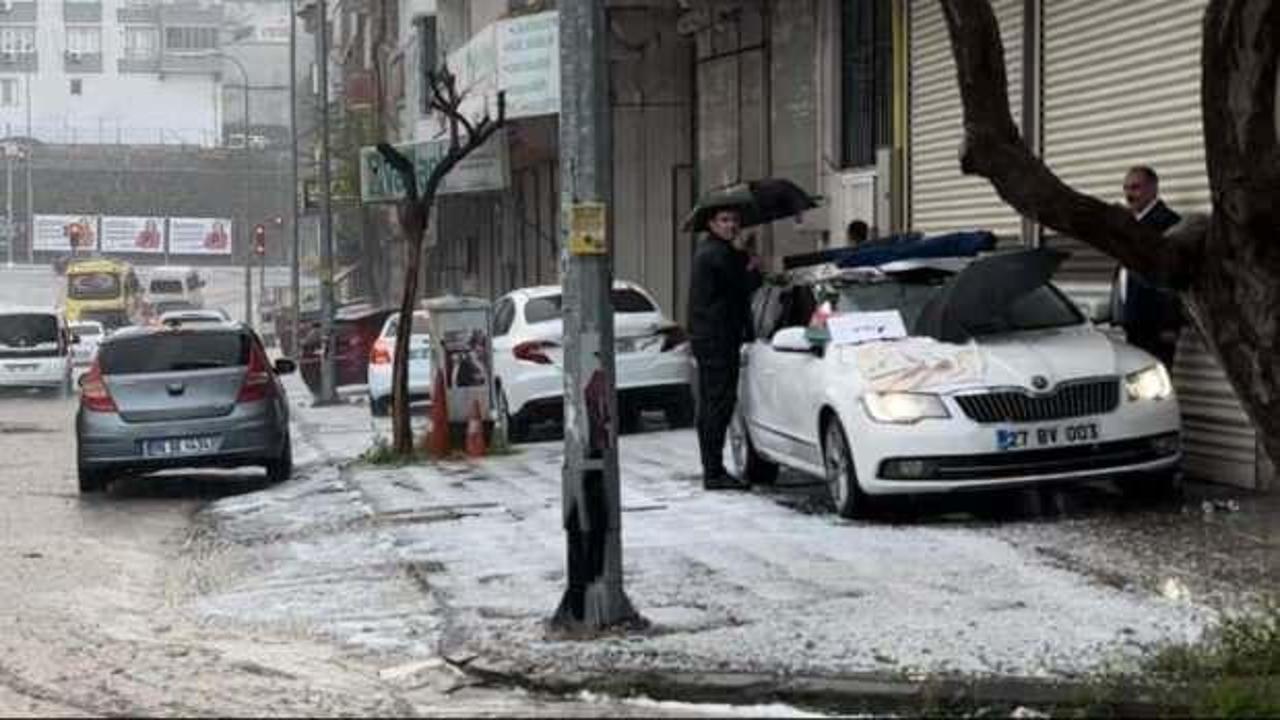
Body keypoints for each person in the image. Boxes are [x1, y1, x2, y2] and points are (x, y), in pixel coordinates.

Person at [687, 206, 763, 490]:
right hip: (717, 339)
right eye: (724, 220)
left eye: (735, 220)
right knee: (718, 403)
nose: (731, 225)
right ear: (711, 224)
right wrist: (751, 264)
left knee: (714, 403)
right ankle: (714, 471)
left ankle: (713, 468)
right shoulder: (718, 254)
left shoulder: (714, 251)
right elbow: (744, 285)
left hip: (712, 337)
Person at [1110, 165, 1184, 368]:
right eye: (1125, 188)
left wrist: (1170, 324)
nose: (1128, 194)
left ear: (1153, 189)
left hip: (1156, 323)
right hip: (1134, 319)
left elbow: (1175, 276)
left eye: (1135, 188)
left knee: (1157, 381)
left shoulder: (1168, 223)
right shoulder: (1131, 222)